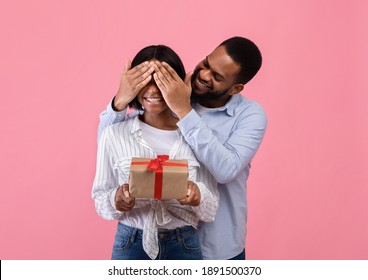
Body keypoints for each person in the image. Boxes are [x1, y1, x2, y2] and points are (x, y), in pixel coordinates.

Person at [98, 36, 267, 260]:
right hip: (155, 238)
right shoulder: (174, 95)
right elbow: (110, 143)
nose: (204, 75)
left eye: (217, 77)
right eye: (206, 63)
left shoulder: (250, 115)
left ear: (235, 88)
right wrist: (120, 102)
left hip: (218, 245)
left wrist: (183, 110)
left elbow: (226, 170)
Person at [92, 45, 219, 260]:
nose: (152, 90)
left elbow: (211, 208)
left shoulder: (197, 135)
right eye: (144, 81)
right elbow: (99, 198)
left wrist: (198, 196)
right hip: (130, 242)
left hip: (184, 243)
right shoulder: (114, 134)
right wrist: (117, 199)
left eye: (162, 81)